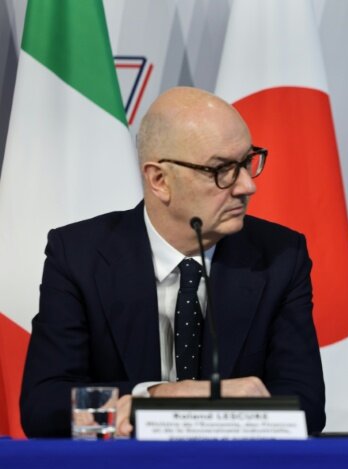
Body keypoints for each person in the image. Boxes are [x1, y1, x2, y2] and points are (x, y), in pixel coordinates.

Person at [20, 87, 325, 437]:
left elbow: (307, 406)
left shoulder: (280, 256)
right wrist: (157, 395)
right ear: (159, 180)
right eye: (222, 169)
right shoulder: (79, 255)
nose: (245, 186)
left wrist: (197, 404)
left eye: (247, 161)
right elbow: (43, 407)